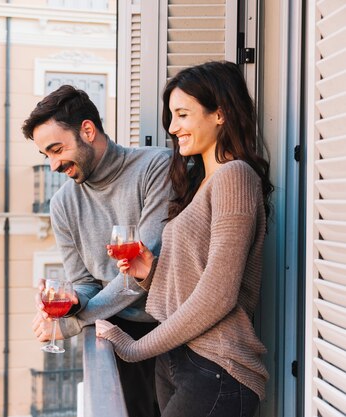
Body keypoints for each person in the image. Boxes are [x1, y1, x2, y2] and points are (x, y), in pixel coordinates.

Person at [95, 61, 273, 417]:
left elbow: (219, 295)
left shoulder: (235, 176)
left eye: (182, 114)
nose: (173, 127)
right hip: (179, 357)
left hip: (217, 366)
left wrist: (133, 348)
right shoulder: (202, 184)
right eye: (171, 116)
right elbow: (199, 279)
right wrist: (151, 273)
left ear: (219, 114)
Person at [22, 84, 173, 417]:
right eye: (45, 155)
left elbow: (141, 273)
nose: (53, 165)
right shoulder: (62, 204)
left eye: (56, 149)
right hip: (116, 334)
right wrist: (72, 301)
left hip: (173, 329)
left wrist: (72, 323)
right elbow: (85, 282)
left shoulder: (156, 167)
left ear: (87, 130)